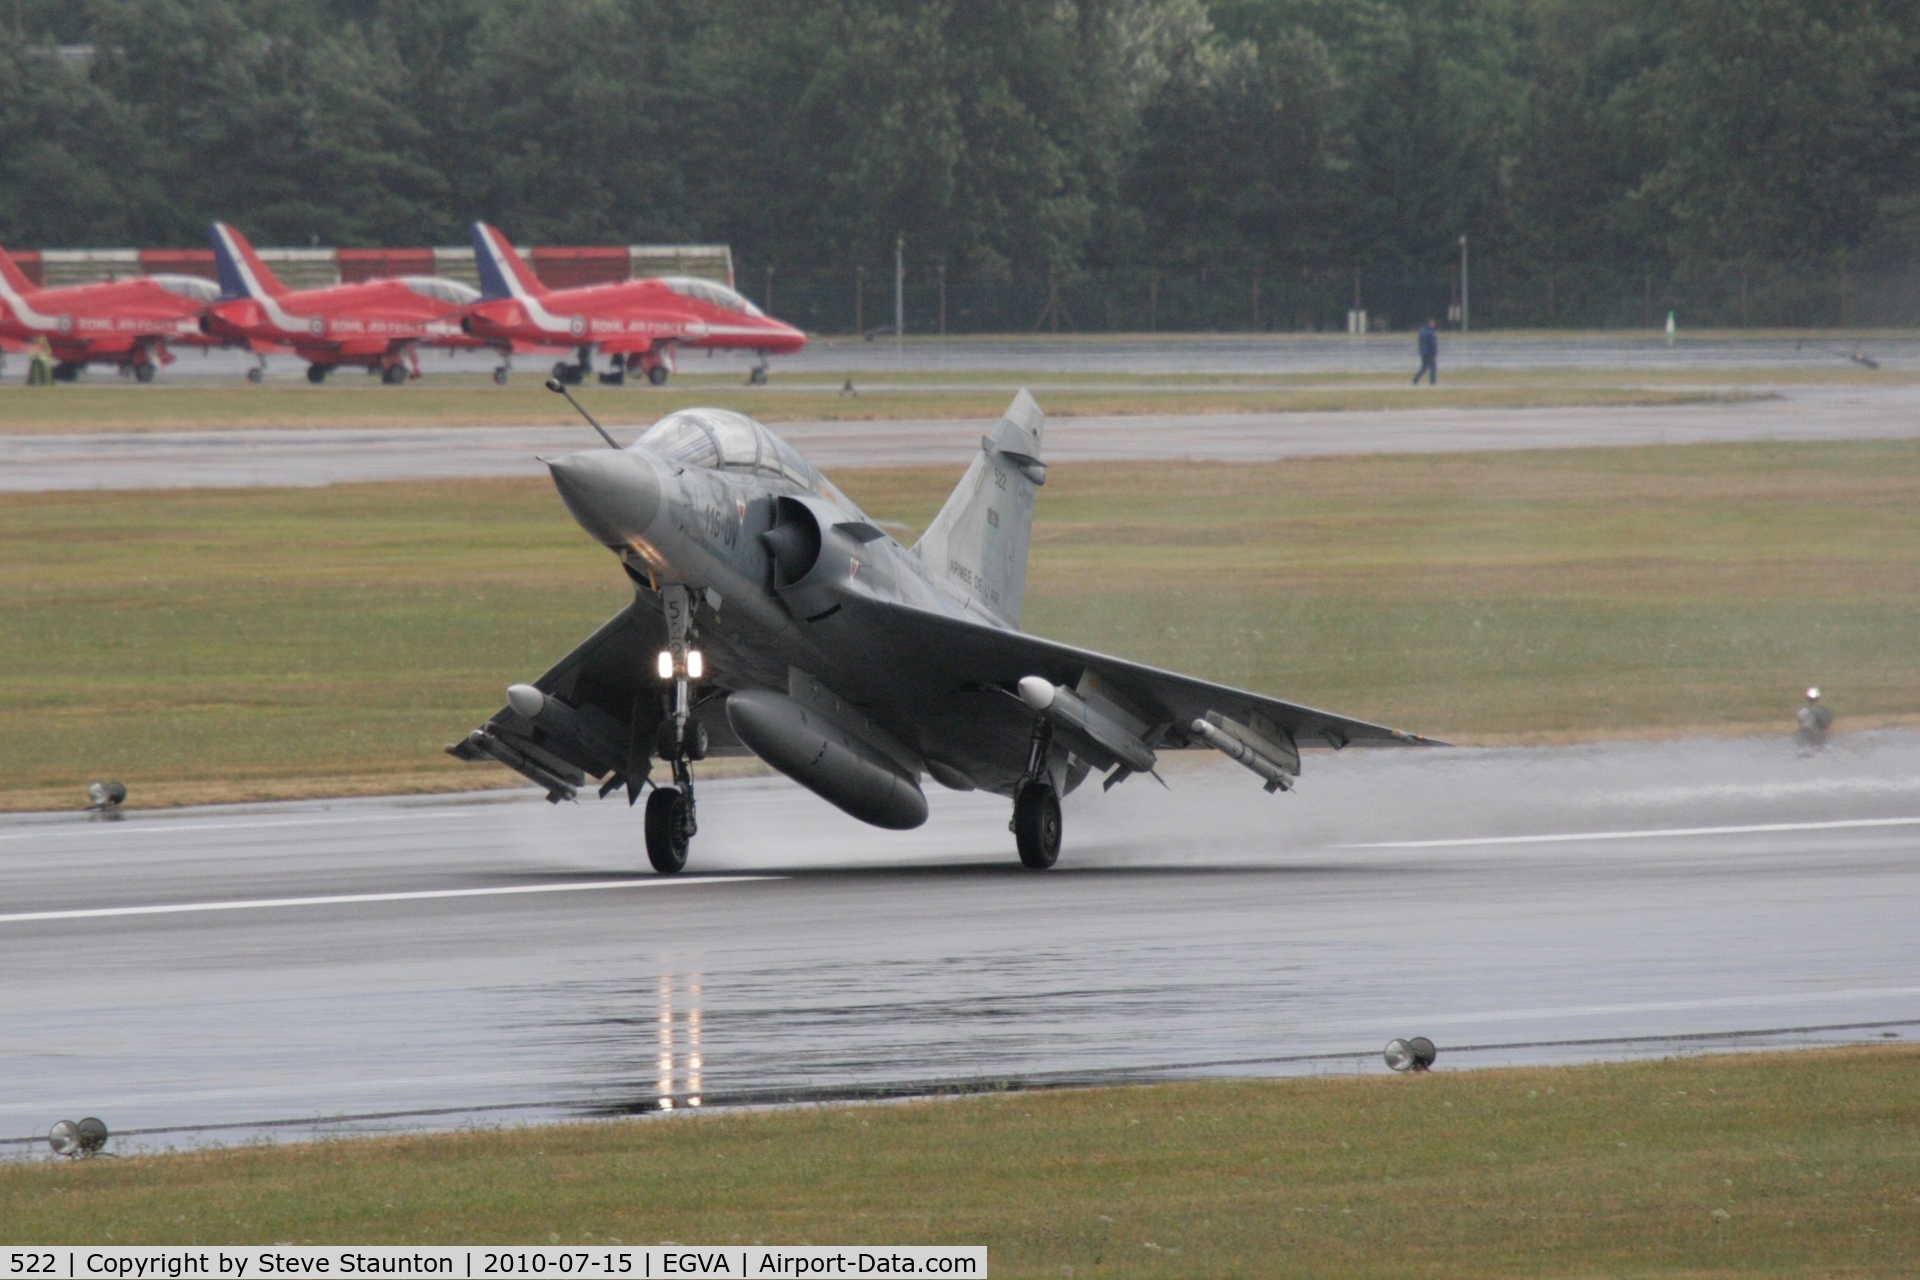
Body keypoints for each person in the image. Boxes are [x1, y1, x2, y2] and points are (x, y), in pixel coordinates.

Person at [1413, 319, 1438, 385]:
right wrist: (1435, 353)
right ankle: (1432, 382)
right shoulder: (1431, 333)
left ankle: (1416, 377)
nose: (1433, 325)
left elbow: (1420, 343)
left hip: (1423, 352)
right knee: (1433, 367)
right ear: (1430, 324)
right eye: (1433, 324)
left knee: (1424, 367)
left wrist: (1421, 351)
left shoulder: (1422, 332)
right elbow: (1433, 344)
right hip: (1430, 352)